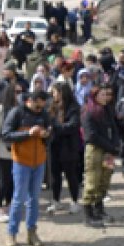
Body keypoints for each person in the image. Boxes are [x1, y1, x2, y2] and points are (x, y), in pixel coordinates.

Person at [1, 90, 52, 246]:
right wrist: (28, 133)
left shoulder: (44, 114)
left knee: (34, 200)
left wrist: (46, 135)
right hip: (22, 162)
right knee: (18, 199)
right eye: (39, 104)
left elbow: (52, 132)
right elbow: (5, 134)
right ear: (31, 100)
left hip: (39, 162)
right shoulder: (17, 112)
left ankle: (32, 232)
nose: (41, 108)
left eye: (43, 105)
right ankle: (11, 233)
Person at [80, 84, 121, 227]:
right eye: (102, 95)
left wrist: (115, 145)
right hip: (95, 150)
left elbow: (114, 128)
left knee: (104, 180)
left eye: (106, 95)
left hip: (108, 150)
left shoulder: (107, 110)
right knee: (92, 181)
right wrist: (109, 146)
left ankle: (99, 209)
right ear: (95, 96)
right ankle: (88, 214)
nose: (105, 98)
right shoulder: (88, 112)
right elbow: (91, 135)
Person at [0, 81, 23, 224]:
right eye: (17, 92)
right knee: (4, 179)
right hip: (1, 151)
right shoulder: (0, 109)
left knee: (13, 180)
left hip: (15, 150)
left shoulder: (19, 108)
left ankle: (9, 205)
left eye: (20, 92)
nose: (19, 95)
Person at [46, 81, 83, 215]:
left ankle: (74, 201)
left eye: (55, 92)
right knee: (54, 176)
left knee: (71, 175)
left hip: (68, 146)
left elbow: (72, 126)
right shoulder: (51, 107)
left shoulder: (73, 108)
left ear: (62, 93)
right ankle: (56, 201)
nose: (53, 95)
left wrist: (54, 125)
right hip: (54, 146)